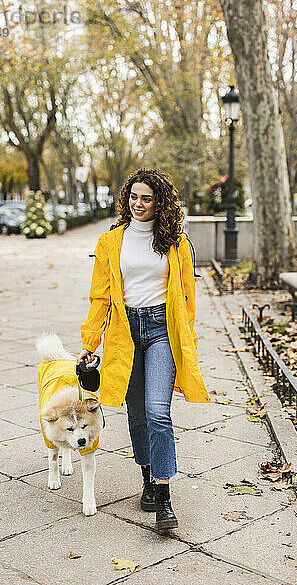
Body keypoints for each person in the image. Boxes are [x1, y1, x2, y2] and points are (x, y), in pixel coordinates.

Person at [76, 167, 211, 531]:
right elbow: (100, 295)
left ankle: (164, 497)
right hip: (125, 331)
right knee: (135, 413)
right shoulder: (110, 242)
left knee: (157, 411)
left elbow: (187, 297)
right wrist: (90, 343)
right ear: (126, 199)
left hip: (161, 330)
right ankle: (148, 477)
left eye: (147, 198)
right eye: (134, 197)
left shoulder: (176, 243)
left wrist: (188, 339)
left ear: (159, 203)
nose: (139, 204)